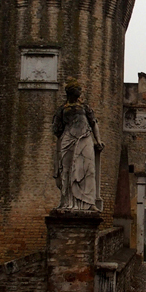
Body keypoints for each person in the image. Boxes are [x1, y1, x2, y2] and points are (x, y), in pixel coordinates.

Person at [52, 78, 104, 210]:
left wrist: (98, 140)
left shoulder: (85, 107)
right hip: (68, 141)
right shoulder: (62, 109)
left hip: (85, 138)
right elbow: (57, 129)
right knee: (67, 171)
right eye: (77, 89)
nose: (80, 91)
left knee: (88, 170)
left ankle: (89, 203)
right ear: (71, 92)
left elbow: (94, 123)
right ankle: (67, 202)